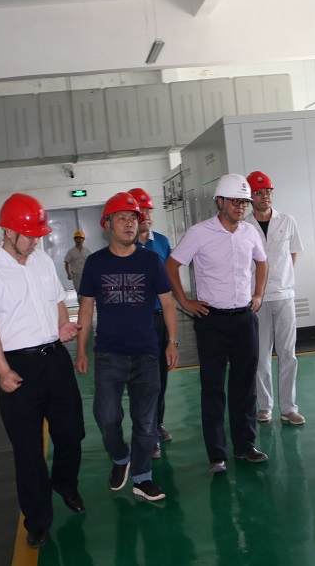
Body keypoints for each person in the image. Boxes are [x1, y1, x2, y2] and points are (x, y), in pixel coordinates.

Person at [0, 193, 85, 549]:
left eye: (38, 235)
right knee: (28, 449)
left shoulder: (42, 261)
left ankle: (64, 483)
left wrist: (63, 326)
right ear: (9, 232)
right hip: (18, 366)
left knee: (72, 431)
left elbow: (58, 301)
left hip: (55, 359)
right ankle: (37, 518)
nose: (35, 241)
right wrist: (3, 371)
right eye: (30, 235)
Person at [75, 192, 179, 502]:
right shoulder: (95, 263)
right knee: (106, 417)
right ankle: (121, 457)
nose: (129, 223)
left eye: (133, 218)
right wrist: (81, 350)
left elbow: (168, 304)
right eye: (121, 218)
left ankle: (142, 477)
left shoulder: (150, 260)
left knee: (146, 423)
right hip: (109, 354)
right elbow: (86, 309)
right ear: (107, 225)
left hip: (146, 353)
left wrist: (171, 342)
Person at [165, 174, 268, 474]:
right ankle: (217, 454)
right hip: (211, 321)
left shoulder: (250, 233)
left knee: (244, 386)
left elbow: (262, 261)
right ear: (219, 202)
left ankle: (245, 446)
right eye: (235, 201)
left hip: (245, 319)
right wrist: (184, 301)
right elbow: (171, 265)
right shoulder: (199, 234)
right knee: (213, 388)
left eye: (244, 202)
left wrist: (258, 294)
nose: (240, 207)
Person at [245, 170, 306, 426]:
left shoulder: (287, 221)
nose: (265, 196)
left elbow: (293, 254)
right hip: (257, 298)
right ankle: (265, 406)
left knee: (288, 354)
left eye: (268, 191)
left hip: (283, 295)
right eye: (259, 193)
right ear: (251, 197)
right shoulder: (244, 226)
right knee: (261, 356)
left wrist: (282, 278)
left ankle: (289, 408)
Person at [128, 187, 174, 457]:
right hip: (136, 323)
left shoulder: (163, 243)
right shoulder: (125, 247)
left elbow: (168, 282)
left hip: (159, 319)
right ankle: (147, 434)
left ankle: (157, 423)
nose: (145, 215)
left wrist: (172, 337)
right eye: (139, 211)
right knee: (142, 381)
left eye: (148, 210)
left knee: (160, 377)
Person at [63, 230, 91, 294]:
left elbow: (92, 260)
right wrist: (69, 274)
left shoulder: (87, 250)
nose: (79, 240)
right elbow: (66, 262)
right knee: (80, 293)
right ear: (74, 239)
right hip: (76, 276)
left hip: (87, 275)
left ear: (83, 239)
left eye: (80, 238)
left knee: (88, 292)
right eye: (77, 238)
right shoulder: (71, 251)